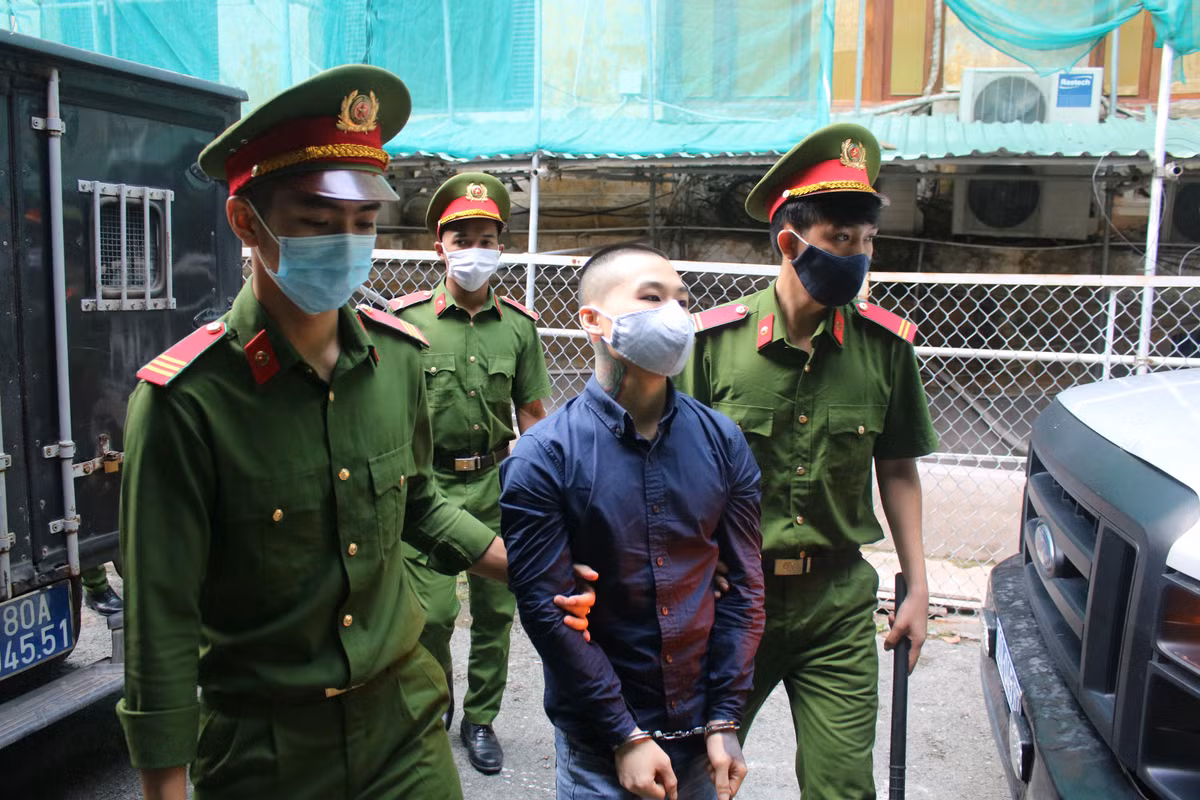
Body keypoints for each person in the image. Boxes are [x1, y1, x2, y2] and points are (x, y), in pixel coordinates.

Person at [115, 66, 590, 800]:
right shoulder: (188, 402)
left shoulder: (396, 360)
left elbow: (420, 503)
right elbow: (161, 617)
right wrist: (163, 787)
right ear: (246, 223)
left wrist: (536, 570)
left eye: (364, 221)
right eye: (317, 222)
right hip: (266, 747)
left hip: (403, 723)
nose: (347, 241)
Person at [677, 123, 939, 800]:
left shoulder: (886, 349)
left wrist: (917, 586)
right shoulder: (713, 346)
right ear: (790, 242)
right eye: (841, 239)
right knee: (694, 778)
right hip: (734, 600)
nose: (859, 256)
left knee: (843, 787)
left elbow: (898, 469)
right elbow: (674, 474)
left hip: (838, 604)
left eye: (868, 241)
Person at [500, 243, 765, 800]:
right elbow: (547, 612)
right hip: (601, 747)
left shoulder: (723, 441)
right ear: (593, 320)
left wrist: (725, 717)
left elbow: (744, 588)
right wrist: (624, 734)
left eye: (681, 300)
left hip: (702, 737)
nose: (675, 314)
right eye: (651, 297)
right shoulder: (544, 457)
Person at [390, 171, 552, 774]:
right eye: (463, 240)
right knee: (432, 615)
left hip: (495, 485)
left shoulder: (519, 327)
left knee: (496, 612)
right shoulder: (408, 322)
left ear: (500, 248)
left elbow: (533, 415)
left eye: (486, 240)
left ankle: (480, 718)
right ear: (440, 247)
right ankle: (437, 707)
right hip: (427, 487)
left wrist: (544, 494)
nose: (474, 251)